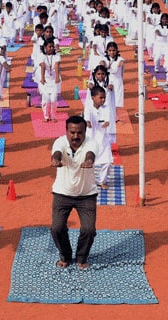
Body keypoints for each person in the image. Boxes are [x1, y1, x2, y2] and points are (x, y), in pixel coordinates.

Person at [49, 115, 103, 270]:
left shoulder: (91, 143)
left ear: (85, 132)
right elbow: (57, 153)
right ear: (66, 131)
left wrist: (89, 162)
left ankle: (82, 257)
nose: (75, 136)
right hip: (62, 193)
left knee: (89, 230)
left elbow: (90, 154)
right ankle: (65, 255)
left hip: (86, 195)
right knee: (57, 228)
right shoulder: (59, 142)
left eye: (79, 133)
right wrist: (55, 160)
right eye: (72, 132)